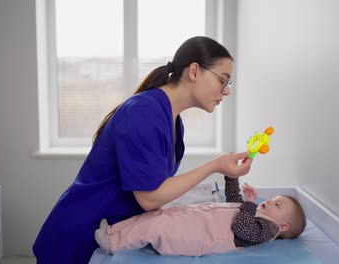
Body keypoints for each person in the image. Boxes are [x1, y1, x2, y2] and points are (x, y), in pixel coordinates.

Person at [33, 36, 253, 263]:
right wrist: (215, 165)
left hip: (111, 233)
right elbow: (150, 197)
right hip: (80, 235)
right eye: (223, 80)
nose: (226, 91)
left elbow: (158, 189)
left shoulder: (173, 121)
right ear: (194, 71)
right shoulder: (143, 112)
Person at [94, 176, 307, 256]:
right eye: (275, 199)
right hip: (192, 219)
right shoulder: (255, 214)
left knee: (155, 228)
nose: (270, 201)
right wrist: (232, 177)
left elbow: (240, 228)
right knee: (153, 216)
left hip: (195, 236)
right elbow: (232, 200)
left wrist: (250, 204)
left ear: (283, 226)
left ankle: (113, 243)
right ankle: (114, 230)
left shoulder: (264, 231)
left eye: (277, 204)